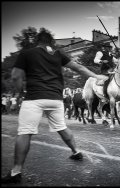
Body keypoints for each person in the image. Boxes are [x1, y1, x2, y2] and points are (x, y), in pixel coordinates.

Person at [1, 30, 107, 184]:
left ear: (37, 41)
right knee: (61, 126)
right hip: (55, 98)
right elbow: (79, 68)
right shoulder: (58, 55)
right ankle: (76, 152)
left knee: (25, 132)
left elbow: (16, 76)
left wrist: (22, 93)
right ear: (52, 42)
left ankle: (16, 171)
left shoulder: (27, 53)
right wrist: (97, 76)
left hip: (35, 97)